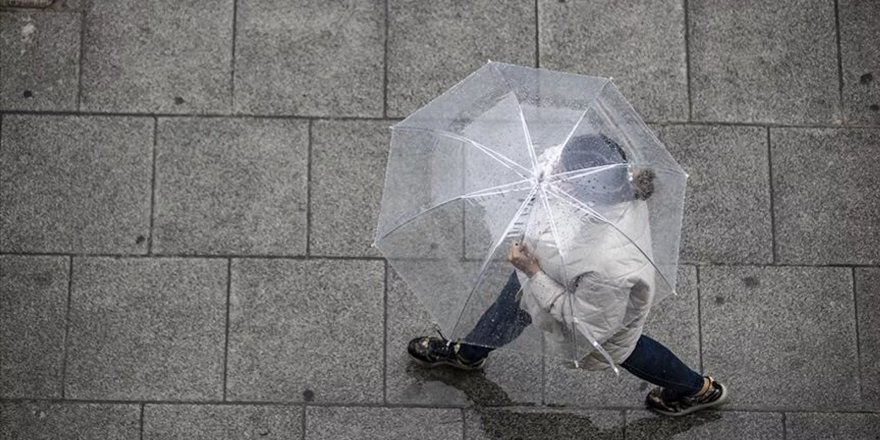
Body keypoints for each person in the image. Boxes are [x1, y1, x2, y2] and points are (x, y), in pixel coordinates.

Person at [407, 134, 729, 417]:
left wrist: (533, 272)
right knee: (507, 310)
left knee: (628, 350)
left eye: (563, 170)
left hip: (592, 309)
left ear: (586, 189)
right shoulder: (606, 178)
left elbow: (583, 321)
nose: (555, 168)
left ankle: (696, 389)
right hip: (547, 273)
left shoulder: (607, 264)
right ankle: (469, 353)